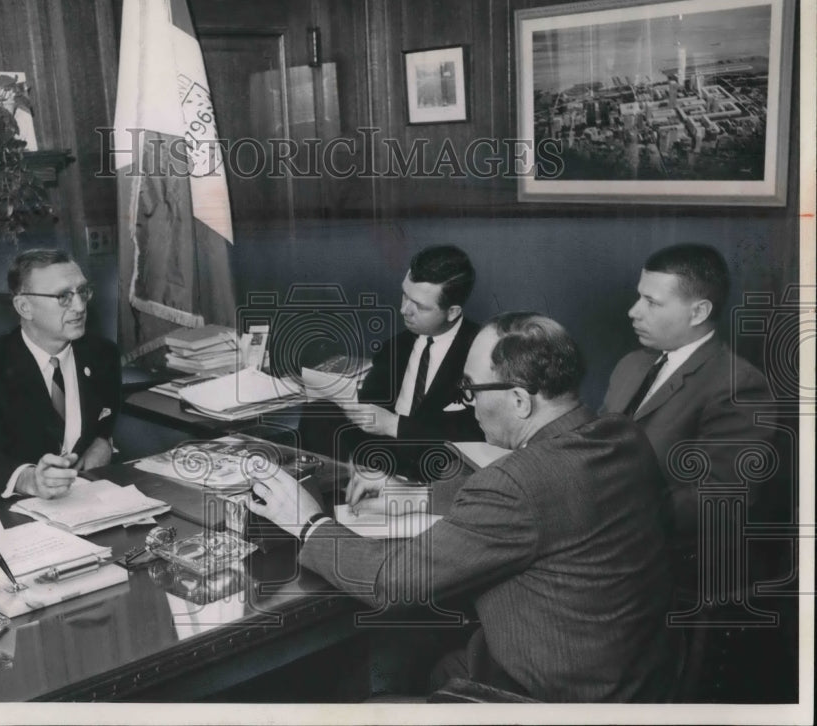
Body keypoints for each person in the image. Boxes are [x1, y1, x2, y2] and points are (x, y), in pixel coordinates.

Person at [250, 313, 678, 702]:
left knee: (364, 694)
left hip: (548, 695)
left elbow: (390, 583)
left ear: (520, 401)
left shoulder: (518, 483)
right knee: (417, 656)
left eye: (470, 389)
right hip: (628, 674)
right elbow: (559, 499)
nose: (467, 402)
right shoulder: (621, 435)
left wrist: (307, 521)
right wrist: (417, 496)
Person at [600, 244, 776, 552]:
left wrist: (603, 516)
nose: (633, 311)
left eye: (651, 302)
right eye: (640, 296)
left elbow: (720, 500)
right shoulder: (631, 365)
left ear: (699, 312)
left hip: (676, 564)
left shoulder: (739, 385)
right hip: (614, 547)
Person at [300, 244, 485, 479]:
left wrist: (394, 425)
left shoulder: (482, 351)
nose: (403, 309)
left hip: (434, 465)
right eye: (405, 295)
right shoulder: (397, 346)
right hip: (382, 457)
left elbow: (477, 430)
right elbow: (372, 406)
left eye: (419, 306)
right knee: (318, 412)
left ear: (453, 312)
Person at [0, 249, 121, 500]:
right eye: (63, 296)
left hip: (84, 500)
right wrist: (28, 480)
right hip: (13, 507)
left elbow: (106, 415)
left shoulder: (102, 355)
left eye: (82, 291)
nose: (80, 306)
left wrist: (104, 441)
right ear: (24, 307)